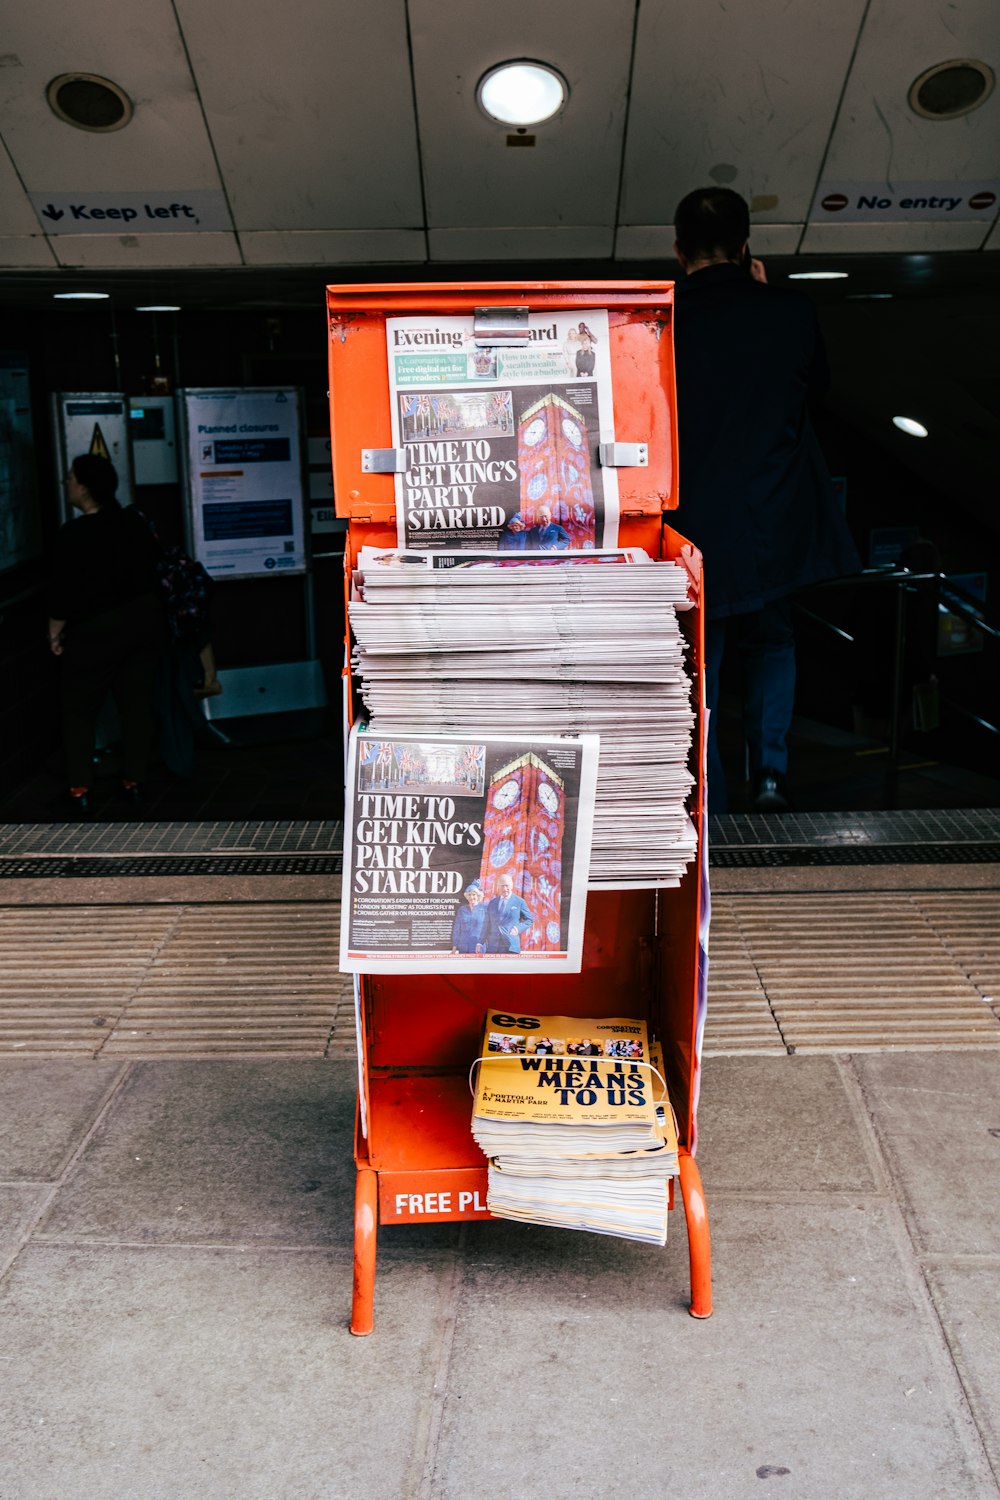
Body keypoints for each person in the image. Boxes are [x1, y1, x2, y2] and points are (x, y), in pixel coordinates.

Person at [671, 186, 861, 811]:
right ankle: (772, 775)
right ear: (746, 244)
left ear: (679, 250)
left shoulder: (661, 319)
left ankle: (712, 798)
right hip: (775, 520)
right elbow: (819, 390)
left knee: (705, 663)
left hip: (696, 525)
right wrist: (766, 291)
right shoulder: (791, 311)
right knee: (775, 642)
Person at [47, 454, 166, 814]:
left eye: (70, 478)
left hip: (93, 633)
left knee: (79, 710)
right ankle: (134, 781)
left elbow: (62, 593)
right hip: (143, 623)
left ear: (83, 487)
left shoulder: (73, 534)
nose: (66, 483)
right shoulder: (134, 523)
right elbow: (154, 568)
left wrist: (54, 634)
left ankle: (80, 786)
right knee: (136, 705)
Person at [482, 872, 533, 955]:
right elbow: (486, 924)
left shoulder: (519, 902)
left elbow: (529, 919)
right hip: (493, 947)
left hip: (511, 946)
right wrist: (480, 942)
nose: (505, 888)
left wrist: (517, 928)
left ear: (512, 885)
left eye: (507, 885)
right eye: (502, 886)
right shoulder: (492, 903)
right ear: (498, 887)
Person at [450, 879, 487, 954]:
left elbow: (487, 929)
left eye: (474, 894)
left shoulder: (485, 909)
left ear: (478, 895)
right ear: (466, 896)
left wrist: (482, 943)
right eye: (469, 894)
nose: (471, 897)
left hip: (479, 946)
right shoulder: (462, 910)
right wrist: (454, 947)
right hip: (464, 946)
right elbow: (457, 929)